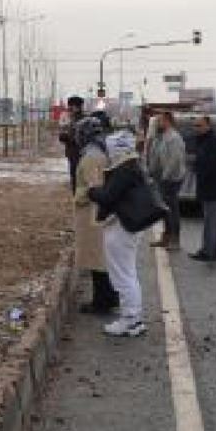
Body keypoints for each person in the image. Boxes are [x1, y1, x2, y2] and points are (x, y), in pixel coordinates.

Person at [87, 131, 166, 337]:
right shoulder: (134, 165)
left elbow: (108, 196)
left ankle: (130, 320)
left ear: (116, 149)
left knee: (122, 275)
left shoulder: (124, 169)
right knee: (128, 273)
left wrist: (91, 191)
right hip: (129, 227)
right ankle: (134, 319)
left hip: (122, 227)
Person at [73, 116, 119, 315]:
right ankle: (107, 295)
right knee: (99, 256)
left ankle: (102, 300)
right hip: (97, 212)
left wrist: (79, 195)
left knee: (96, 256)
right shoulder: (99, 152)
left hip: (92, 213)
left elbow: (95, 186)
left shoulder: (92, 157)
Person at [189, 116, 216, 262]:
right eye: (195, 126)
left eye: (199, 125)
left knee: (210, 221)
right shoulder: (204, 142)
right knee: (215, 220)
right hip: (212, 187)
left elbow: (210, 165)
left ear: (208, 126)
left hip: (213, 188)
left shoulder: (213, 142)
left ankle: (208, 252)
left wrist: (197, 168)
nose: (196, 128)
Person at [145, 111, 188, 250]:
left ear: (168, 121)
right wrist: (151, 172)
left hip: (172, 178)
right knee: (165, 209)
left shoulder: (174, 138)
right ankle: (166, 237)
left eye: (160, 121)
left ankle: (175, 240)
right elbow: (155, 156)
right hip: (162, 177)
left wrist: (166, 176)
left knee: (172, 210)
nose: (158, 123)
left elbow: (174, 160)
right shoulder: (161, 137)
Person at [59, 96, 86, 190]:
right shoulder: (83, 119)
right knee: (81, 177)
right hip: (82, 153)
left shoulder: (75, 120)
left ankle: (78, 198)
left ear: (75, 107)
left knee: (76, 177)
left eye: (70, 107)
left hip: (75, 153)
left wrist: (63, 135)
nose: (69, 109)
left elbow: (72, 137)